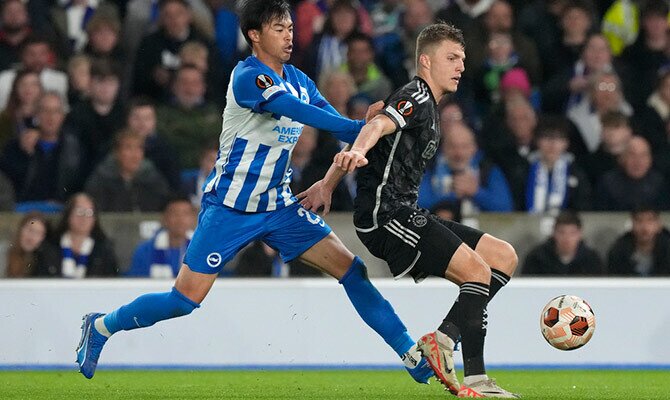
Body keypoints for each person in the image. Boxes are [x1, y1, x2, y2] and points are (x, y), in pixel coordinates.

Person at [76, 1, 435, 388]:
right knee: (183, 301)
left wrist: (379, 125)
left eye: (291, 28)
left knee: (353, 270)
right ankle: (100, 326)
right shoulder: (248, 77)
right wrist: (353, 124)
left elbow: (340, 129)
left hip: (279, 206)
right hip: (229, 208)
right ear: (254, 34)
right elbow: (298, 112)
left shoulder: (300, 78)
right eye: (279, 28)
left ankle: (409, 353)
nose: (289, 35)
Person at [299, 22, 519, 398]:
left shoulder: (430, 105)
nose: (461, 66)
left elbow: (372, 123)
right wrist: (357, 151)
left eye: (463, 59)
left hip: (406, 210)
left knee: (503, 256)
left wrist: (328, 183)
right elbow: (379, 126)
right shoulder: (415, 95)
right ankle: (476, 379)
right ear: (425, 61)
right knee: (477, 272)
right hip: (384, 217)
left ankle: (444, 339)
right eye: (451, 58)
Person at [84, 129, 171, 212]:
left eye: (139, 148)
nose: (135, 154)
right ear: (116, 153)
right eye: (128, 148)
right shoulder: (100, 181)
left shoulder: (155, 180)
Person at [42, 193, 118, 278]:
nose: (84, 218)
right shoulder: (51, 245)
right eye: (79, 212)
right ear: (68, 215)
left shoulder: (104, 249)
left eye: (89, 213)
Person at [126, 196, 196, 278]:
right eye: (175, 214)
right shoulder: (145, 250)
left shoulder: (203, 250)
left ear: (193, 219)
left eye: (185, 214)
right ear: (164, 219)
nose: (180, 219)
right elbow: (135, 284)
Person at [522, 211, 603, 276]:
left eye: (572, 233)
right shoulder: (537, 259)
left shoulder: (591, 260)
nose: (567, 238)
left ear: (580, 234)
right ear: (554, 233)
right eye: (561, 232)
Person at [607, 206, 670, 276]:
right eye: (639, 220)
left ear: (659, 225)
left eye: (650, 220)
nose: (645, 227)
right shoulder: (618, 252)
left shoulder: (667, 250)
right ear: (632, 225)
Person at [5, 212, 59, 277]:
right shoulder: (4, 254)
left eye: (38, 233)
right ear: (20, 229)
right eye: (30, 230)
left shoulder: (45, 262)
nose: (31, 237)